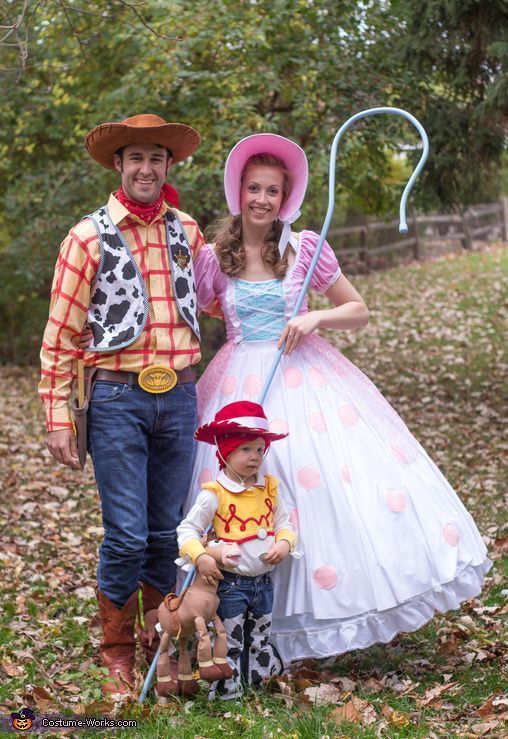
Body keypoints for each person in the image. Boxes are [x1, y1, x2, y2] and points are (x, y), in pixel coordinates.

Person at [186, 132, 491, 665]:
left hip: (305, 377)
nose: (261, 200)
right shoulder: (214, 259)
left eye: (272, 191)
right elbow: (209, 308)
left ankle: (314, 619)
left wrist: (314, 317)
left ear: (286, 197)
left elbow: (358, 308)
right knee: (235, 491)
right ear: (238, 192)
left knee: (314, 489)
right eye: (253, 188)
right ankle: (244, 623)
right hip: (239, 381)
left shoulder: (305, 246)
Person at [38, 113, 204, 695]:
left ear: (167, 166)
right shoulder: (88, 237)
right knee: (128, 533)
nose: (146, 168)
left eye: (156, 158)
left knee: (166, 531)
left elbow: (218, 296)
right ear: (118, 165)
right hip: (115, 397)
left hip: (180, 395)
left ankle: (161, 641)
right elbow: (60, 334)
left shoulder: (187, 230)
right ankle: (116, 650)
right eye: (136, 158)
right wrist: (60, 416)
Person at [177, 400, 297, 699]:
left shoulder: (269, 489)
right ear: (225, 451)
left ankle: (257, 683)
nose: (255, 456)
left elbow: (285, 524)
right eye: (246, 449)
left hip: (263, 584)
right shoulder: (215, 494)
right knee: (229, 639)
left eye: (259, 449)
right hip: (230, 586)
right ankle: (225, 691)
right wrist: (202, 557)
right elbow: (187, 530)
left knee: (260, 636)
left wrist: (284, 542)